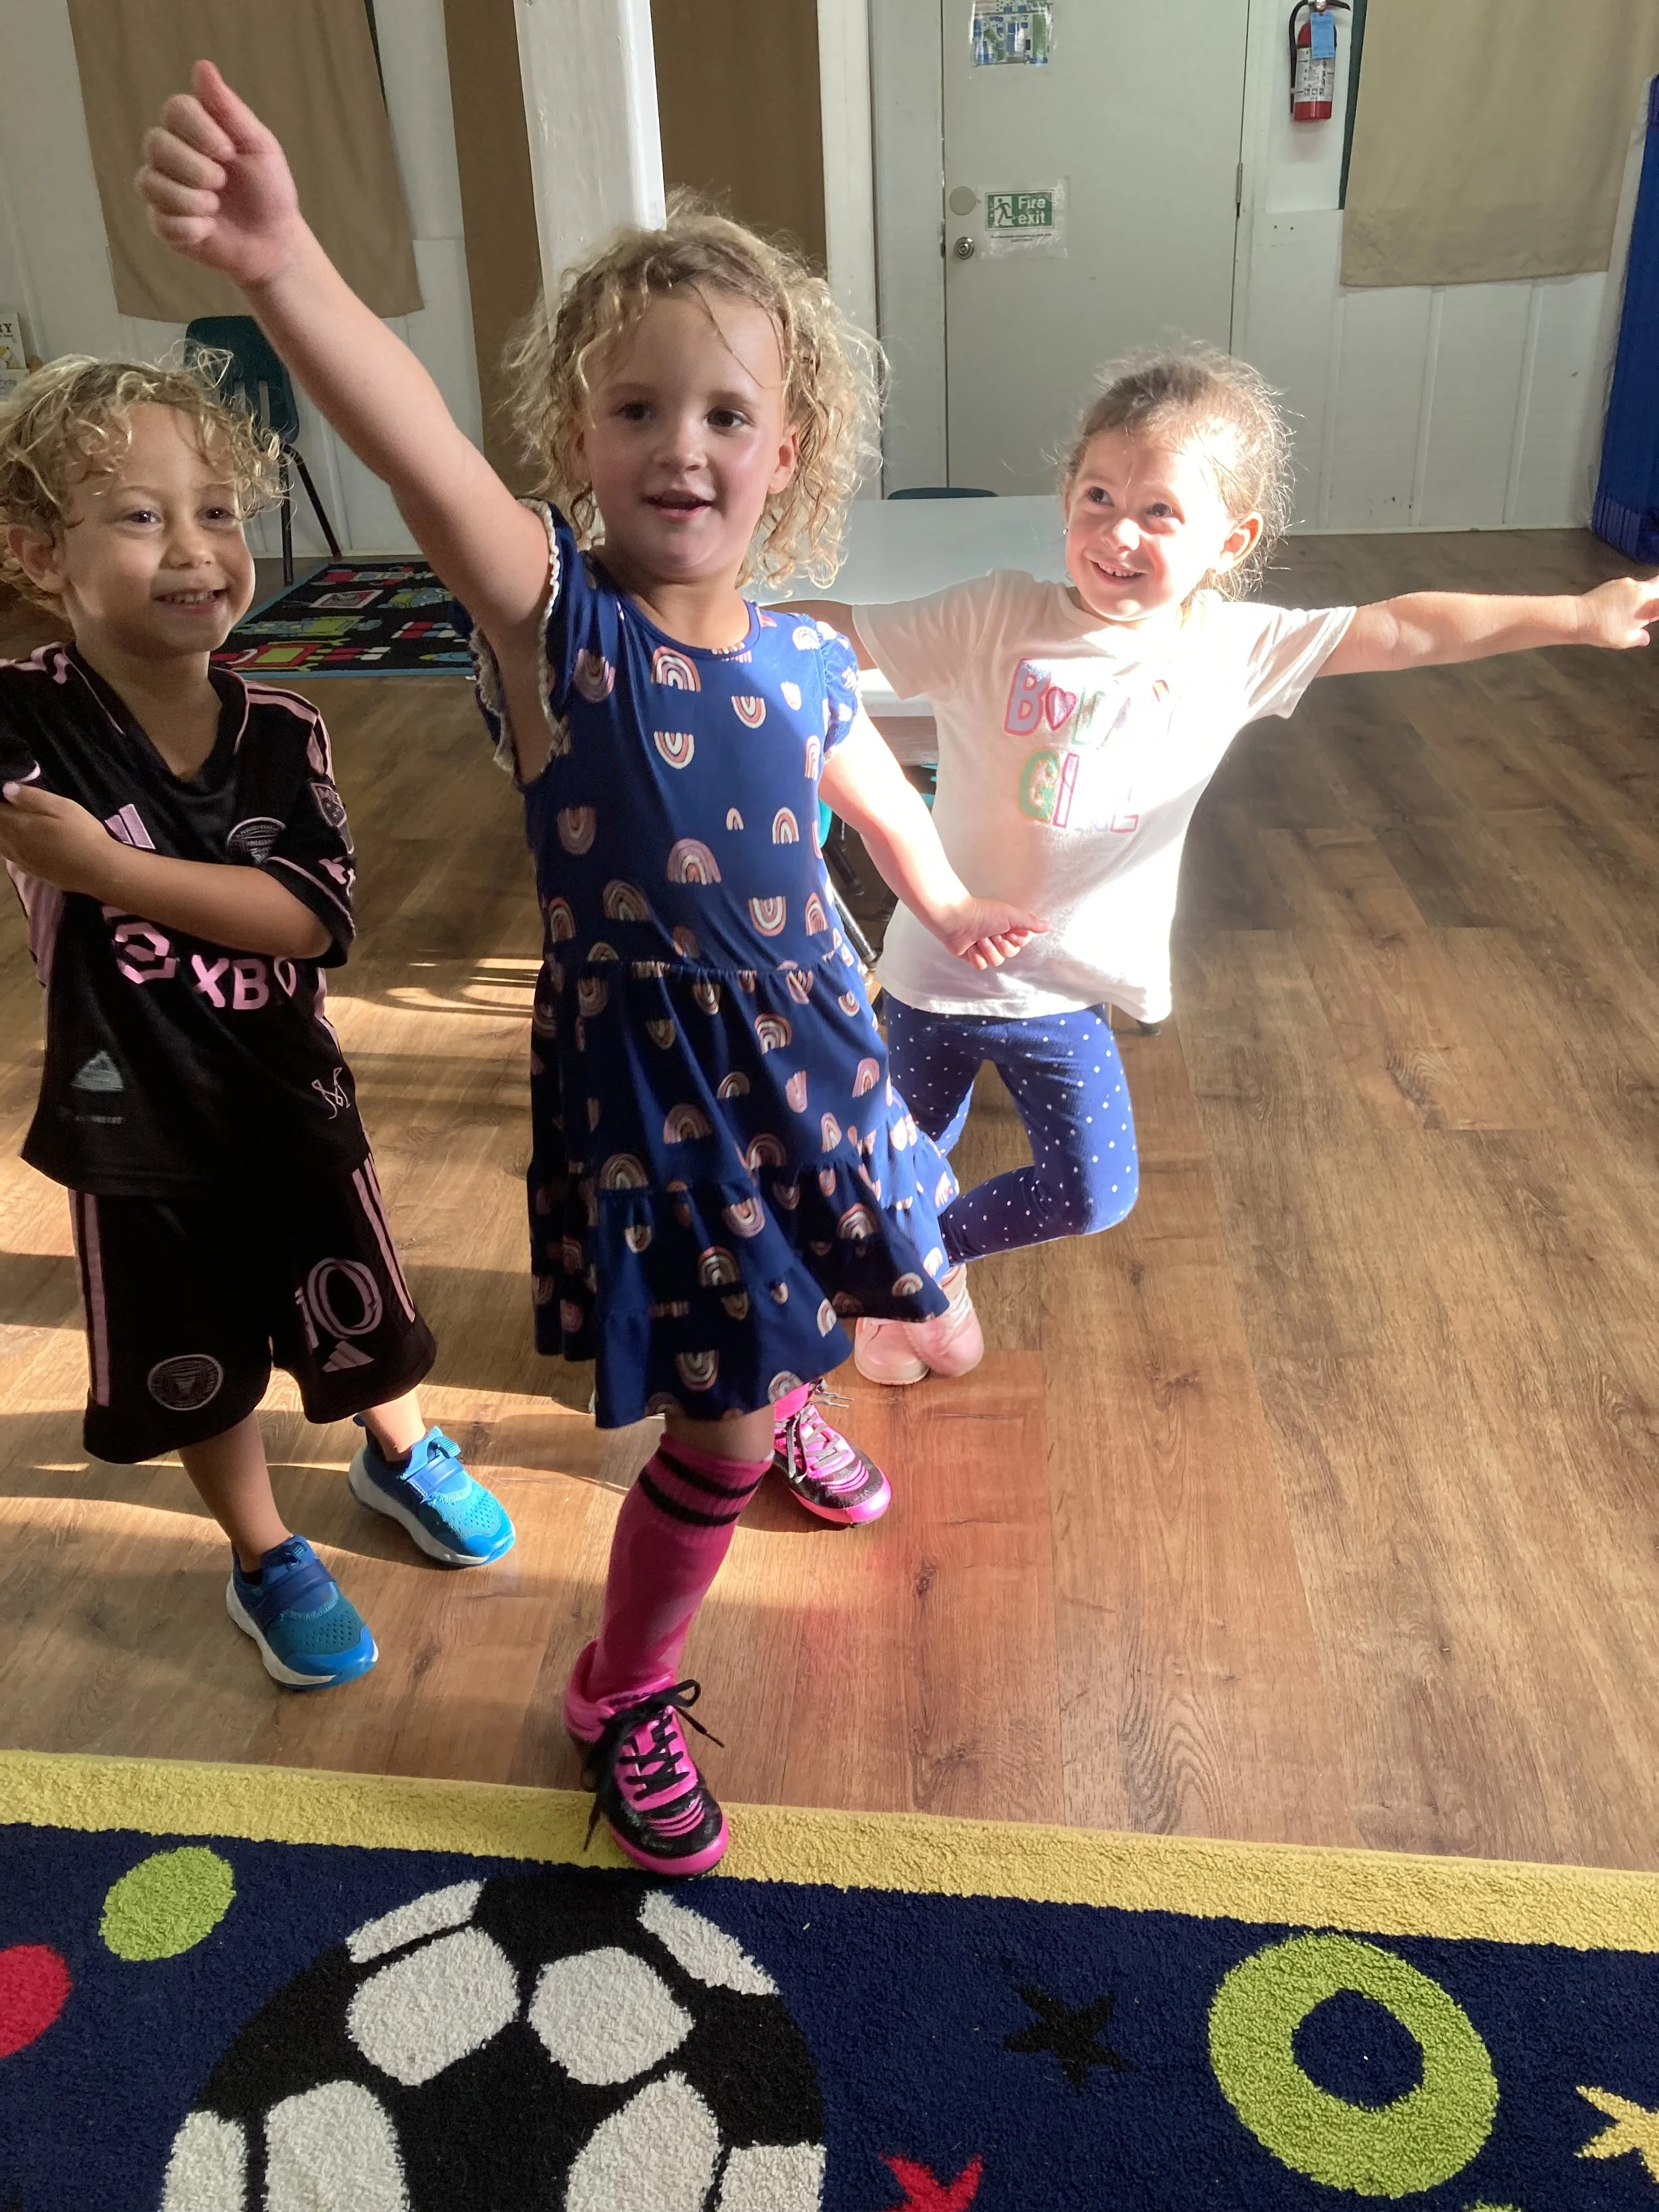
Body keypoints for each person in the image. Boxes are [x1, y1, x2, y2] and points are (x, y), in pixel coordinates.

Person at [136, 63, 1041, 1876]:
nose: (682, 446)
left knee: (877, 1319)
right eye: (637, 409)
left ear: (786, 449)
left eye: (725, 412)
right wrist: (287, 264)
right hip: (668, 1105)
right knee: (700, 1429)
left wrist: (934, 890)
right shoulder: (567, 637)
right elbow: (411, 445)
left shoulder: (797, 651)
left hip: (821, 1066)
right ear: (576, 442)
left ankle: (776, 1398)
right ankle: (621, 1688)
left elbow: (853, 783)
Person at [788, 344, 1659, 1386]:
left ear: (1229, 538)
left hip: (1067, 995)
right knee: (886, 1169)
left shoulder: (1230, 648)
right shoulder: (995, 614)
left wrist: (1579, 615)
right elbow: (839, 633)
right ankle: (898, 1297)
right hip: (934, 974)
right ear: (1066, 495)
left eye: (1160, 513)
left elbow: (1404, 627)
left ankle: (931, 1267)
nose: (1118, 533)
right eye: (1099, 496)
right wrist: (690, 621)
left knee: (1093, 1190)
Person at [0, 354, 516, 1692]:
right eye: (141, 515)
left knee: (364, 1324)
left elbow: (305, 919)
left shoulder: (285, 728)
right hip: (132, 1125)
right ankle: (264, 1550)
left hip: (292, 1104)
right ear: (39, 556)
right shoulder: (24, 719)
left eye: (219, 512)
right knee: (198, 1367)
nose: (196, 547)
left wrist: (111, 872)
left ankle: (400, 1452)